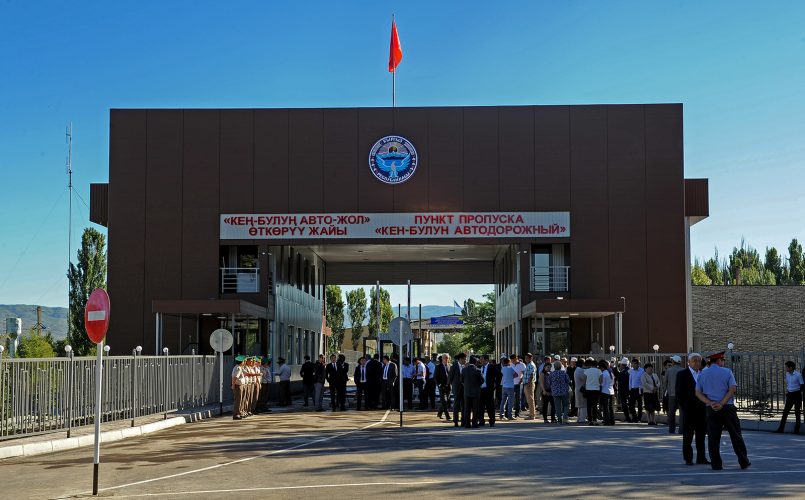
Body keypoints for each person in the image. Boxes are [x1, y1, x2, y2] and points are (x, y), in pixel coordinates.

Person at [695, 352, 750, 471]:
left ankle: (716, 464)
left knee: (713, 437)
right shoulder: (727, 372)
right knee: (735, 435)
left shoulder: (702, 374)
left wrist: (710, 403)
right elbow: (732, 389)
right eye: (723, 360)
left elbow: (698, 393)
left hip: (711, 408)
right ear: (719, 360)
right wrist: (722, 403)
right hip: (727, 408)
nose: (724, 362)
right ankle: (743, 461)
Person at [676, 353, 709, 465]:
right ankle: (688, 458)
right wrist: (685, 407)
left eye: (699, 361)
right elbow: (679, 392)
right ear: (689, 362)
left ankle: (701, 457)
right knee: (688, 435)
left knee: (701, 435)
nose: (697, 363)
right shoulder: (682, 374)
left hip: (702, 409)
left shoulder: (703, 374)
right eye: (694, 360)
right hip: (689, 410)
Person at [775, 360, 803, 434]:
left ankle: (796, 430)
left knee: (797, 412)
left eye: (787, 367)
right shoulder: (787, 374)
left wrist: (797, 391)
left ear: (791, 367)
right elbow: (789, 384)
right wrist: (788, 391)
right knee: (785, 412)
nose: (786, 368)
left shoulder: (798, 375)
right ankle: (781, 429)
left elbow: (802, 385)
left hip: (796, 394)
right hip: (790, 395)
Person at [664, 355, 684, 433]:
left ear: (673, 362)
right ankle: (681, 429)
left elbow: (665, 382)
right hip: (681, 394)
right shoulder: (684, 370)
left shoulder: (669, 370)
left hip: (671, 394)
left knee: (671, 412)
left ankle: (671, 429)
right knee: (682, 413)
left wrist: (665, 392)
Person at [462, 356, 482, 428]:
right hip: (476, 392)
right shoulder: (478, 370)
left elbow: (461, 380)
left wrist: (466, 385)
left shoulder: (464, 370)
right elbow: (482, 380)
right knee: (475, 409)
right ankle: (474, 423)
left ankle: (467, 423)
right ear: (475, 362)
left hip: (467, 392)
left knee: (467, 408)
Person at [479, 354, 496, 427]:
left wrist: (494, 384)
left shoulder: (491, 367)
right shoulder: (479, 367)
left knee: (490, 406)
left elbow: (499, 375)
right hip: (481, 389)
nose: (480, 361)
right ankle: (481, 421)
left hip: (488, 389)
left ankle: (492, 420)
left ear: (486, 360)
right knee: (481, 406)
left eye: (482, 359)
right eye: (480, 359)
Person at [584, 358, 602, 426]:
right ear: (597, 365)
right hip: (596, 389)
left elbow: (585, 379)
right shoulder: (599, 371)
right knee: (594, 405)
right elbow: (601, 380)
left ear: (591, 364)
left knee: (589, 405)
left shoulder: (587, 371)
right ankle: (594, 419)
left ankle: (589, 420)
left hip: (588, 389)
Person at [449, 352, 466, 427]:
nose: (465, 360)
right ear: (460, 359)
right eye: (464, 359)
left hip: (464, 388)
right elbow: (450, 378)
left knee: (464, 405)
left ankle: (463, 421)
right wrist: (452, 386)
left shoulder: (466, 366)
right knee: (456, 405)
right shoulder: (454, 367)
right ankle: (455, 421)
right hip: (456, 388)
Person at [435, 354, 452, 421]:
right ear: (442, 359)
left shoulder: (450, 366)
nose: (446, 359)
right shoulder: (438, 366)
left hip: (448, 386)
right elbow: (435, 377)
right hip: (442, 386)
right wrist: (439, 384)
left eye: (447, 358)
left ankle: (439, 413)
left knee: (446, 401)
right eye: (445, 358)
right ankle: (447, 416)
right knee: (444, 401)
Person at [628, 358, 645, 423]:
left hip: (639, 389)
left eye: (635, 363)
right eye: (632, 363)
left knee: (639, 404)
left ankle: (639, 418)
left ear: (638, 364)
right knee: (631, 404)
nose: (633, 365)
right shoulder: (631, 371)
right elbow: (630, 380)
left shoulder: (642, 371)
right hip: (632, 389)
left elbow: (643, 380)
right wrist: (629, 389)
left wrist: (642, 388)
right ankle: (634, 417)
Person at [599, 359, 615, 425]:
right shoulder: (611, 373)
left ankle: (607, 421)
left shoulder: (603, 374)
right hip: (612, 391)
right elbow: (613, 383)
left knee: (605, 408)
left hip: (605, 391)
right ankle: (612, 421)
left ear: (602, 368)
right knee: (611, 408)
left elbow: (602, 384)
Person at [522, 353, 537, 420]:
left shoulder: (531, 365)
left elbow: (532, 374)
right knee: (529, 399)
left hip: (529, 384)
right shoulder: (528, 364)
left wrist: (528, 383)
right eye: (525, 358)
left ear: (531, 358)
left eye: (527, 358)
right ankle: (531, 414)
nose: (525, 359)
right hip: (527, 384)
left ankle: (532, 415)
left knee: (530, 400)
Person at [231, 355, 247, 420]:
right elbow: (235, 377)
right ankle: (236, 414)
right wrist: (233, 385)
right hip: (238, 386)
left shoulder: (240, 367)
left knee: (240, 400)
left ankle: (239, 413)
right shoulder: (238, 368)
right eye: (243, 361)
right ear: (241, 362)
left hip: (240, 385)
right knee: (238, 400)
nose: (244, 362)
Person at [574, 359, 587, 423]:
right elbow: (584, 378)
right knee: (583, 405)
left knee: (579, 405)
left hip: (577, 388)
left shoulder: (576, 370)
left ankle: (579, 418)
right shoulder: (581, 370)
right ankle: (582, 419)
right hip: (582, 389)